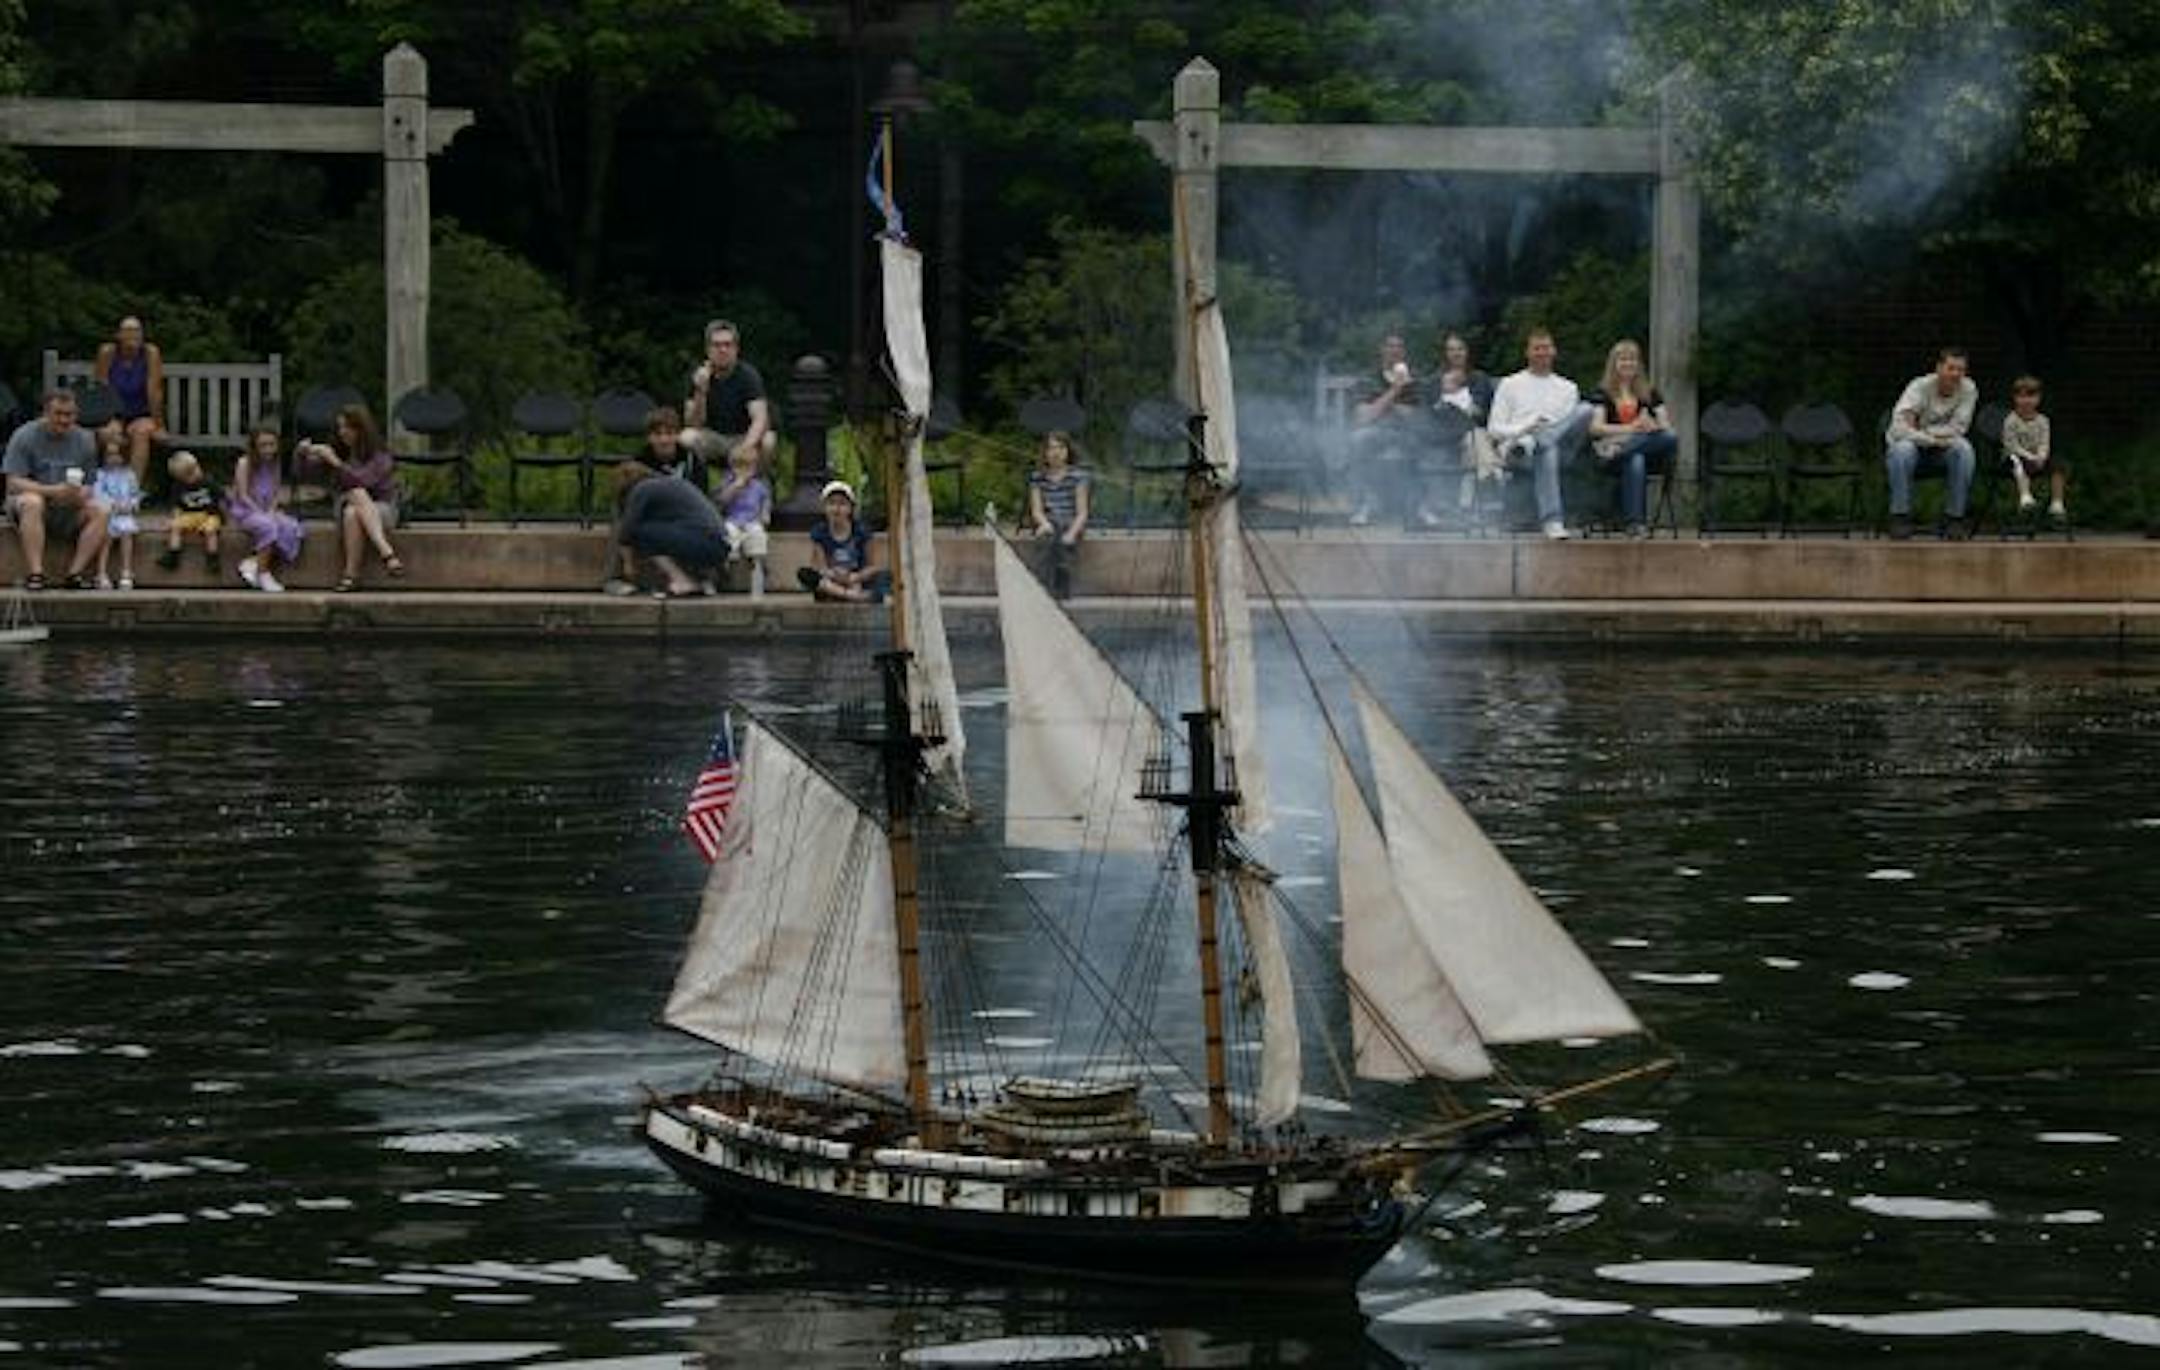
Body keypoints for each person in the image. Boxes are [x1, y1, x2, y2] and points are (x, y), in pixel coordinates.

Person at [1487, 328, 1592, 540]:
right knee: (1546, 450)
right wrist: (1525, 428)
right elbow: (1494, 429)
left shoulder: (1568, 388)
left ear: (1554, 351)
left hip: (1561, 449)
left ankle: (1544, 439)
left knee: (1586, 409)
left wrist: (1546, 432)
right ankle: (1552, 521)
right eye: (1537, 348)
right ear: (1527, 352)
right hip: (1520, 450)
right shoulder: (1509, 384)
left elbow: (1569, 429)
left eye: (1546, 348)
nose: (1542, 352)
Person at [3, 389, 108, 591]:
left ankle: (74, 574)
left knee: (102, 510)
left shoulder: (86, 440)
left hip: (68, 505)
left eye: (69, 415)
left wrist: (81, 494)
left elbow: (90, 483)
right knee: (33, 502)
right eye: (58, 414)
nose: (64, 420)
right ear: (46, 413)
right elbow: (13, 482)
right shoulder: (24, 435)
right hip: (28, 504)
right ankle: (36, 573)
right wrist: (51, 491)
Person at [299, 403, 405, 591]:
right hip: (344, 505)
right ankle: (386, 552)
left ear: (361, 429)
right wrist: (302, 455)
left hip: (382, 509)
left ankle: (351, 575)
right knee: (354, 499)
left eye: (348, 427)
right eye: (340, 427)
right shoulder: (339, 451)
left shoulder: (380, 455)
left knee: (353, 510)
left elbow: (363, 481)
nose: (343, 432)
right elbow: (305, 474)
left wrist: (336, 463)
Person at [1584, 340, 1678, 539]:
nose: (1628, 364)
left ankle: (1624, 450)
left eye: (1632, 359)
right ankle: (1635, 524)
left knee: (1669, 438)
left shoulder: (1650, 392)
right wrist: (1631, 428)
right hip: (1612, 458)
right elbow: (1595, 428)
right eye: (1623, 359)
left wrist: (1652, 426)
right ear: (1614, 364)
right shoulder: (1602, 393)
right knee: (1635, 460)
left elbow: (1667, 427)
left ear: (1638, 364)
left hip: (1629, 450)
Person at [1884, 346, 1978, 540]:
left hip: (1941, 452)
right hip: (1912, 452)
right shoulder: (1919, 387)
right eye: (1951, 368)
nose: (1956, 374)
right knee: (1902, 449)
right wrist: (1932, 439)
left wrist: (1920, 429)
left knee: (1964, 449)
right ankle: (1900, 516)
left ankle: (1954, 518)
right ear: (1938, 368)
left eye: (1960, 369)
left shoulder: (1968, 389)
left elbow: (1959, 428)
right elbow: (1899, 428)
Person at [603, 406, 696, 595]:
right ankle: (614, 578)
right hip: (649, 514)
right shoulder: (639, 462)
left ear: (677, 435)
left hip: (683, 516)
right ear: (649, 437)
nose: (664, 440)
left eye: (669, 433)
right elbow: (627, 497)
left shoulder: (692, 460)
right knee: (620, 516)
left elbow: (700, 496)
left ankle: (699, 578)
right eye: (658, 434)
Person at [681, 318, 776, 487]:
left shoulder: (748, 375)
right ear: (708, 350)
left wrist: (746, 447)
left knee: (768, 440)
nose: (723, 350)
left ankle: (759, 491)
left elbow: (760, 419)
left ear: (736, 349)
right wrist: (701, 391)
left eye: (727, 345)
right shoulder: (698, 375)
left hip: (742, 436)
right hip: (714, 437)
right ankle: (697, 489)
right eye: (717, 345)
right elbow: (693, 424)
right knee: (687, 437)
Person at [616, 465, 727, 597]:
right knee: (661, 533)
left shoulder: (643, 488)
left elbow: (628, 529)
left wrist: (628, 564)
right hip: (718, 544)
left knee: (642, 532)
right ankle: (700, 580)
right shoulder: (670, 483)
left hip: (703, 542)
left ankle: (682, 581)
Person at [1346, 334, 1422, 526]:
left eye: (1399, 346)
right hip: (1375, 432)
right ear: (1382, 350)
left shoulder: (1413, 381)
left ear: (1404, 352)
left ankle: (1420, 505)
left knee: (1424, 442)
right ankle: (1363, 505)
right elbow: (1363, 417)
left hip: (1405, 433)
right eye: (1390, 346)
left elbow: (1415, 416)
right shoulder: (1368, 379)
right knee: (1358, 439)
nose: (1395, 350)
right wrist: (1395, 390)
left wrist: (1381, 405)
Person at [1427, 331, 1501, 523]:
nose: (1456, 353)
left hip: (1473, 433)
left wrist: (1459, 397)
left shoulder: (1479, 378)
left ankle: (1466, 506)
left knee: (1474, 441)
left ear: (1467, 352)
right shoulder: (1435, 380)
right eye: (1451, 349)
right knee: (1476, 444)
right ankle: (1492, 480)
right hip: (1443, 436)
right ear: (1445, 353)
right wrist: (1445, 396)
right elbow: (1432, 414)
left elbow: (1480, 414)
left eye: (1460, 349)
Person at [227, 424, 305, 593]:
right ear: (255, 446)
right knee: (268, 526)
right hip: (247, 510)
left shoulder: (275, 464)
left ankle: (255, 561)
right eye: (263, 445)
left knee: (290, 526)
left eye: (272, 445)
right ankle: (263, 573)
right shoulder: (244, 463)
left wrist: (271, 510)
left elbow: (276, 492)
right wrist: (260, 512)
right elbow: (243, 495)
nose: (268, 449)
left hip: (266, 508)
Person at [93, 315, 167, 485]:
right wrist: (104, 419)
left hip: (141, 413)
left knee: (141, 433)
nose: (133, 335)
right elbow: (100, 389)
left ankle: (132, 488)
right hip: (114, 413)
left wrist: (159, 425)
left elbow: (154, 390)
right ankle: (110, 488)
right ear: (118, 335)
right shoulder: (107, 353)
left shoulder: (150, 353)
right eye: (128, 331)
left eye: (137, 331)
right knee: (110, 434)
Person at [796, 480, 887, 603]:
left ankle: (841, 595)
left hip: (856, 579)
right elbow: (820, 567)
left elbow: (872, 566)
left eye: (842, 504)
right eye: (831, 503)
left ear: (850, 508)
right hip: (832, 582)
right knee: (806, 575)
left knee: (882, 580)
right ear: (824, 507)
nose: (836, 509)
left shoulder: (862, 531)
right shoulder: (819, 532)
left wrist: (854, 577)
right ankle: (851, 596)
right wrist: (833, 574)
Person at [1025, 429, 1091, 599]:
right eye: (1051, 448)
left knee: (1062, 536)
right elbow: (1036, 510)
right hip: (1047, 520)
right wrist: (1044, 523)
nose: (1056, 452)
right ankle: (1046, 588)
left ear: (1068, 451)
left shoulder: (1078, 476)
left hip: (1071, 522)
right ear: (1045, 453)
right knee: (1048, 535)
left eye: (1061, 447)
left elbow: (1082, 513)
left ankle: (1054, 590)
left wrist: (1072, 534)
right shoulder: (1037, 477)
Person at [2001, 375, 2066, 526]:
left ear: (2038, 399)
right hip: (2015, 456)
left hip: (2037, 458)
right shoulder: (2011, 420)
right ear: (2015, 398)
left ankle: (2057, 503)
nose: (2026, 401)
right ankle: (2025, 496)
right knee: (2016, 461)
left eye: (2031, 396)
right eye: (2022, 396)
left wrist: (2041, 456)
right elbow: (2011, 445)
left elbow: (2044, 442)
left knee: (2058, 464)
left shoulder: (2043, 421)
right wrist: (2029, 456)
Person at [713, 437, 773, 597]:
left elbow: (765, 502)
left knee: (757, 534)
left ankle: (758, 565)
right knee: (729, 533)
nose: (744, 471)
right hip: (733, 520)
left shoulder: (759, 486)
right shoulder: (728, 482)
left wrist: (765, 515)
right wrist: (735, 487)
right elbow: (721, 502)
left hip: (752, 521)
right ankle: (726, 565)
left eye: (748, 467)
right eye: (739, 467)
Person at [90, 431, 142, 589]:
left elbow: (135, 493)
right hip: (108, 514)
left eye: (117, 455)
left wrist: (132, 504)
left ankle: (126, 570)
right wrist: (112, 505)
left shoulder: (129, 475)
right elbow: (98, 493)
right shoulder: (100, 475)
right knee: (106, 536)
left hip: (124, 514)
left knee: (127, 533)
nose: (114, 459)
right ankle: (101, 572)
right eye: (109, 455)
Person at [159, 451, 223, 575]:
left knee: (210, 531)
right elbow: (176, 504)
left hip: (209, 514)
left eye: (196, 469)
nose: (195, 474)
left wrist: (223, 512)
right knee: (175, 527)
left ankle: (212, 557)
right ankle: (173, 554)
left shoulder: (208, 482)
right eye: (189, 474)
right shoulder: (178, 487)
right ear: (180, 478)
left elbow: (221, 496)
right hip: (189, 515)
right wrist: (175, 517)